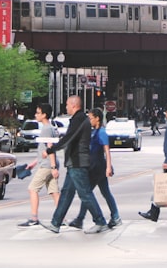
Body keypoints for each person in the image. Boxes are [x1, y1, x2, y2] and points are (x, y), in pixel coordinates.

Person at [41, 95, 110, 234]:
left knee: (85, 194)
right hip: (74, 162)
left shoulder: (78, 119)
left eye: (67, 104)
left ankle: (100, 221)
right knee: (67, 193)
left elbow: (68, 138)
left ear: (74, 105)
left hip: (78, 162)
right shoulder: (79, 119)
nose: (65, 107)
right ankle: (56, 223)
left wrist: (50, 150)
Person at [70, 108, 121, 229]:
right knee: (101, 193)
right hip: (94, 167)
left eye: (90, 118)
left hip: (98, 168)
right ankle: (115, 216)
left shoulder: (101, 132)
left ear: (97, 118)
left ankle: (81, 219)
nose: (89, 120)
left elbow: (107, 151)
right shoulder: (94, 132)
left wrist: (108, 167)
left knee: (87, 193)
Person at [18, 103, 61, 227]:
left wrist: (53, 167)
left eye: (38, 112)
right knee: (54, 192)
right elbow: (44, 151)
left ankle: (34, 218)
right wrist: (34, 163)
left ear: (44, 115)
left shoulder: (47, 129)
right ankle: (61, 218)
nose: (36, 115)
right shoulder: (50, 127)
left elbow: (50, 147)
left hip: (48, 165)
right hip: (48, 163)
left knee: (32, 189)